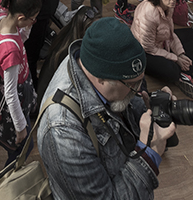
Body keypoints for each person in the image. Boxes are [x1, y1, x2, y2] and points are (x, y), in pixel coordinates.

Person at [38, 17, 175, 200]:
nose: (137, 91)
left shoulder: (93, 60)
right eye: (133, 85)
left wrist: (153, 112)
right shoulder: (63, 130)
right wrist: (148, 153)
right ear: (101, 78)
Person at [0, 0, 42, 164]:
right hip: (15, 101)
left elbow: (20, 36)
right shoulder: (10, 52)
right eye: (32, 20)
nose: (34, 22)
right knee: (23, 149)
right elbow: (11, 94)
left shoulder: (3, 19)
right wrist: (20, 127)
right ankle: (9, 179)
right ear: (21, 18)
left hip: (21, 90)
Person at [130, 0, 193, 98]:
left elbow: (169, 34)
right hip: (145, 52)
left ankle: (185, 73)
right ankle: (185, 69)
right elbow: (149, 48)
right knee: (171, 71)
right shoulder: (148, 15)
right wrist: (175, 58)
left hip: (161, 43)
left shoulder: (168, 6)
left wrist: (181, 54)